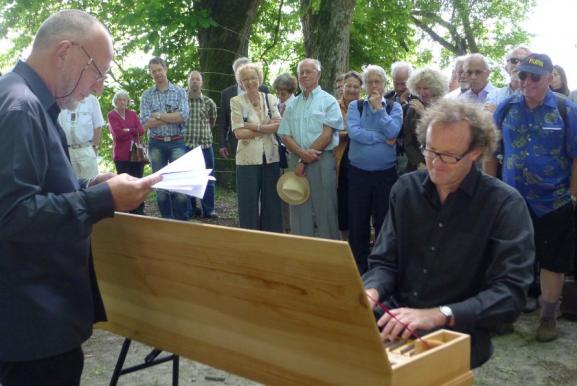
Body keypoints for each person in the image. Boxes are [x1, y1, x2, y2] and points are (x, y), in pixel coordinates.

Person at [0, 10, 161, 386]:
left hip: (34, 315)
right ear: (64, 52)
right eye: (97, 71)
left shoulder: (21, 99)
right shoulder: (21, 108)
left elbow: (32, 189)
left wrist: (86, 187)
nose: (99, 87)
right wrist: (102, 200)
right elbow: (12, 214)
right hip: (33, 323)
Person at [363, 99, 534, 369]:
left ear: (476, 152)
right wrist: (372, 290)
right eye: (430, 150)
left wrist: (439, 315)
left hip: (459, 330)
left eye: (449, 155)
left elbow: (510, 294)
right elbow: (385, 262)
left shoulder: (504, 204)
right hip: (395, 316)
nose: (435, 163)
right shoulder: (405, 189)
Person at [490, 53, 577, 342]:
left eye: (534, 77)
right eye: (522, 75)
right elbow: (492, 149)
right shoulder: (506, 107)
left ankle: (548, 317)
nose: (526, 81)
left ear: (550, 77)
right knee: (510, 259)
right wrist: (490, 188)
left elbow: (576, 156)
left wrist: (574, 195)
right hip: (512, 200)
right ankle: (506, 313)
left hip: (554, 200)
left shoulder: (566, 109)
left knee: (553, 261)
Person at [278, 58, 343, 239]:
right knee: (298, 207)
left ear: (318, 74)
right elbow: (284, 134)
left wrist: (302, 159)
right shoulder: (292, 104)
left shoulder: (329, 101)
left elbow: (327, 134)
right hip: (296, 160)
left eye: (309, 71)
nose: (304, 75)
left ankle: (329, 254)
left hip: (321, 159)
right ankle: (302, 252)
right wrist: (300, 155)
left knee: (326, 209)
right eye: (301, 72)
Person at [346, 65, 402, 274]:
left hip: (385, 175)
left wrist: (379, 110)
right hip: (358, 174)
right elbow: (354, 133)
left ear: (384, 84)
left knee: (383, 221)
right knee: (357, 220)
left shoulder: (393, 108)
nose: (374, 85)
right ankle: (357, 267)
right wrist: (381, 138)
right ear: (365, 86)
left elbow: (393, 130)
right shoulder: (356, 107)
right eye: (369, 82)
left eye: (378, 81)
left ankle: (380, 267)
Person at [230, 62, 282, 232]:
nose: (250, 82)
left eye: (253, 77)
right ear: (241, 83)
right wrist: (265, 128)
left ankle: (271, 238)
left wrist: (253, 126)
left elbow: (277, 126)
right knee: (248, 203)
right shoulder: (236, 101)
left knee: (272, 203)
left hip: (271, 156)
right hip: (247, 159)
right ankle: (249, 238)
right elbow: (238, 133)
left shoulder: (271, 99)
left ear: (259, 78)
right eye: (245, 79)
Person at [140, 56, 190, 220]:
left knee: (180, 183)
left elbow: (183, 116)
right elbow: (145, 122)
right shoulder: (146, 95)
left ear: (165, 69)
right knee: (160, 186)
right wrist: (170, 116)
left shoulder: (180, 91)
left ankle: (181, 220)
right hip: (156, 144)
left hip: (177, 142)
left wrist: (159, 116)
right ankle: (166, 219)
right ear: (150, 74)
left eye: (159, 70)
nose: (157, 74)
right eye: (153, 71)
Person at [217, 57, 268, 159]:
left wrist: (261, 130)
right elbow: (223, 121)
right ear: (235, 73)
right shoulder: (227, 94)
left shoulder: (263, 89)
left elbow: (270, 116)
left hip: (261, 139)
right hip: (237, 142)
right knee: (243, 172)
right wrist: (222, 144)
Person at [184, 70, 218, 218]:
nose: (195, 81)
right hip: (186, 145)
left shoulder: (209, 102)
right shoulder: (181, 100)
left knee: (208, 178)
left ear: (202, 82)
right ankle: (191, 209)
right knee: (188, 179)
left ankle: (209, 210)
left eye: (198, 79)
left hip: (205, 145)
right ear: (188, 81)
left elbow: (212, 121)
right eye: (192, 79)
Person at [107, 89, 146, 214]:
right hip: (121, 155)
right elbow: (118, 134)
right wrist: (131, 130)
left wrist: (128, 130)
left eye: (124, 100)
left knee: (138, 182)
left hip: (136, 155)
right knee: (125, 185)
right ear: (115, 101)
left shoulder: (133, 114)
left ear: (127, 101)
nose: (122, 102)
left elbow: (141, 130)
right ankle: (126, 212)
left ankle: (139, 211)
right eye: (119, 100)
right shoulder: (112, 115)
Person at [403, 67, 449, 171]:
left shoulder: (445, 107)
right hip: (416, 165)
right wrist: (419, 162)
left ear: (435, 88)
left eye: (426, 88)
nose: (421, 92)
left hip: (439, 162)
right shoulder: (412, 108)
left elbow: (442, 135)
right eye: (418, 88)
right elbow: (407, 140)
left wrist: (423, 113)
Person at [335, 71, 362, 240]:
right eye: (348, 85)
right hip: (341, 159)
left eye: (356, 86)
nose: (352, 89)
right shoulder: (333, 106)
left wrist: (348, 131)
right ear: (342, 87)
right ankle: (344, 242)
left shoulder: (365, 106)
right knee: (343, 202)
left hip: (361, 160)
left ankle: (359, 242)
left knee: (359, 203)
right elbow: (329, 133)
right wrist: (351, 132)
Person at [272, 72, 297, 233]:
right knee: (279, 189)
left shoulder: (295, 105)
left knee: (291, 188)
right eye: (278, 92)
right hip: (276, 153)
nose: (280, 95)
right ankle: (282, 225)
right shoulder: (275, 104)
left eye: (283, 93)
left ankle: (292, 226)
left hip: (291, 151)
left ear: (290, 91)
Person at [58, 93, 104, 179]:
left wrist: (95, 146)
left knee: (91, 184)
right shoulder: (61, 97)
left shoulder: (91, 100)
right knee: (70, 185)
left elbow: (98, 125)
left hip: (86, 148)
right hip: (66, 151)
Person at [484, 46, 531, 112]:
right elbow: (487, 117)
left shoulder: (537, 94)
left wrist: (497, 110)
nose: (518, 65)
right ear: (506, 68)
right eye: (514, 61)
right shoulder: (495, 94)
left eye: (524, 61)